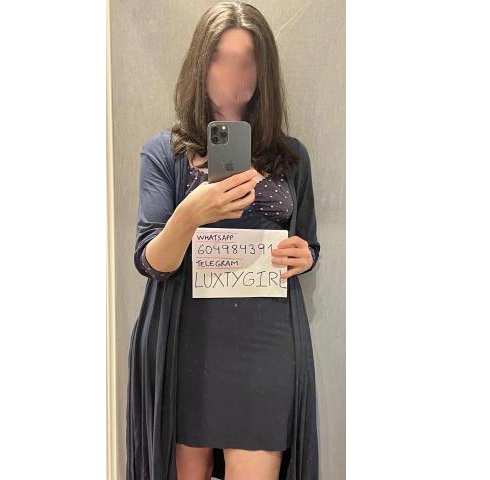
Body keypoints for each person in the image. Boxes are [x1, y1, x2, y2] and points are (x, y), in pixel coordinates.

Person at [126, 2, 321, 479]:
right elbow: (151, 261)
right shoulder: (164, 153)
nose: (234, 74)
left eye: (246, 60)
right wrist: (192, 213)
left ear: (263, 70)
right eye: (221, 58)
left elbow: (308, 244)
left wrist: (303, 256)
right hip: (186, 343)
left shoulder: (291, 157)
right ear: (200, 62)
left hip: (265, 347)